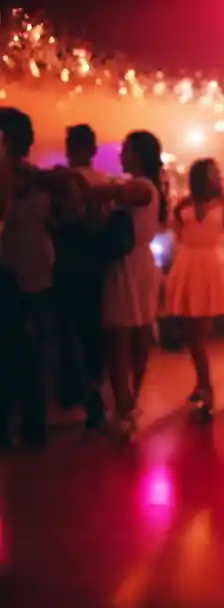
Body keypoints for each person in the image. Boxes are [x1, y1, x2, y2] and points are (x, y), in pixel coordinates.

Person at [0, 108, 81, 447]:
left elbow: (70, 212)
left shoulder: (41, 179)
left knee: (25, 349)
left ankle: (25, 426)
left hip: (29, 270)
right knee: (22, 349)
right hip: (17, 268)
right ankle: (23, 426)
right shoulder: (31, 179)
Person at [81, 130, 167, 442]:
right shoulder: (147, 186)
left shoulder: (141, 186)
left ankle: (124, 408)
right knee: (138, 334)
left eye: (125, 150)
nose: (120, 155)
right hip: (140, 264)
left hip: (127, 265)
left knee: (120, 336)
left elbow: (114, 195)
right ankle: (129, 405)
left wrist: (84, 186)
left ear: (138, 154)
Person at [163, 159, 224, 421]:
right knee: (193, 334)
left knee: (198, 336)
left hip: (209, 266)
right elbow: (175, 232)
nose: (218, 176)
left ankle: (206, 388)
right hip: (188, 264)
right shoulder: (181, 204)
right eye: (213, 172)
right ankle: (201, 384)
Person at [52, 124, 109, 428]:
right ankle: (92, 394)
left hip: (68, 265)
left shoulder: (63, 180)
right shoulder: (103, 181)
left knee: (71, 332)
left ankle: (80, 393)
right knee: (91, 334)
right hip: (94, 266)